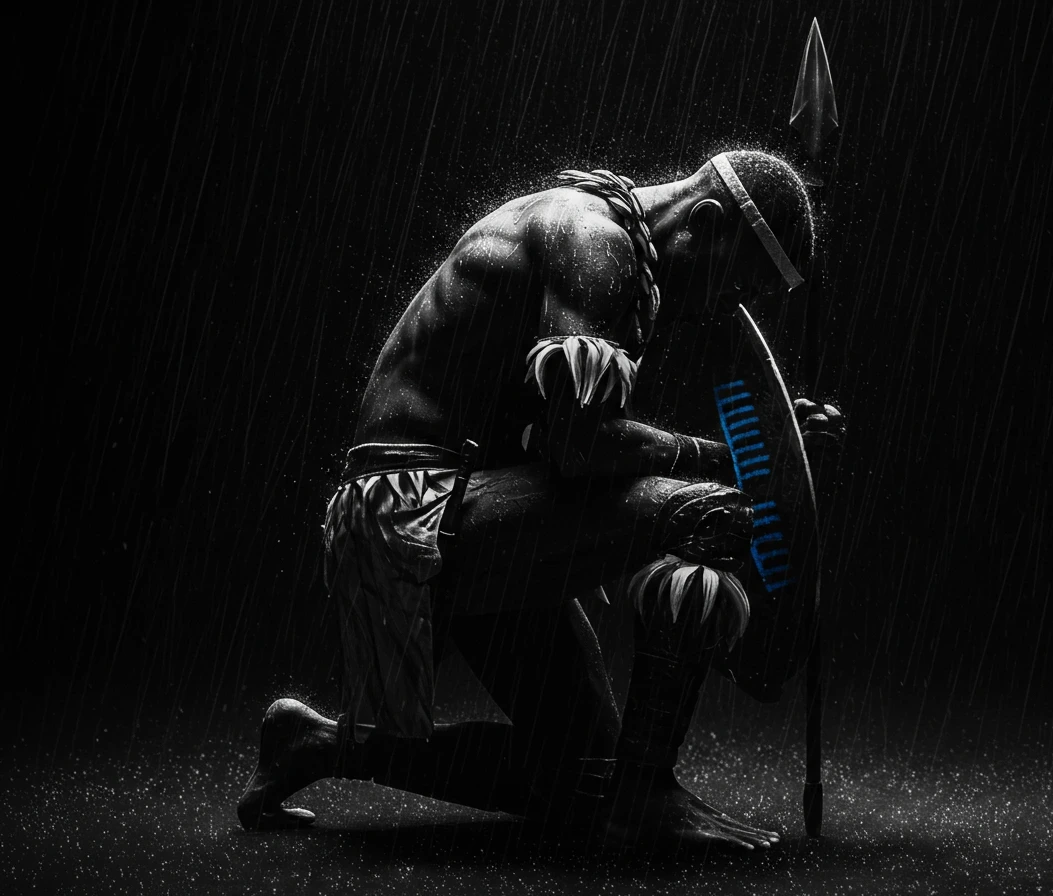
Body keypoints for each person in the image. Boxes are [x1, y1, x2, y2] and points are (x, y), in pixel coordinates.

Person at [237, 150, 843, 850]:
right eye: (736, 281)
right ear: (705, 222)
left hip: (468, 500)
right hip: (414, 508)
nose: (722, 306)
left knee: (581, 779)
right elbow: (581, 449)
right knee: (708, 513)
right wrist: (729, 457)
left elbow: (563, 447)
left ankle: (312, 745)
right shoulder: (595, 240)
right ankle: (646, 795)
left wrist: (776, 440)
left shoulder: (617, 243)